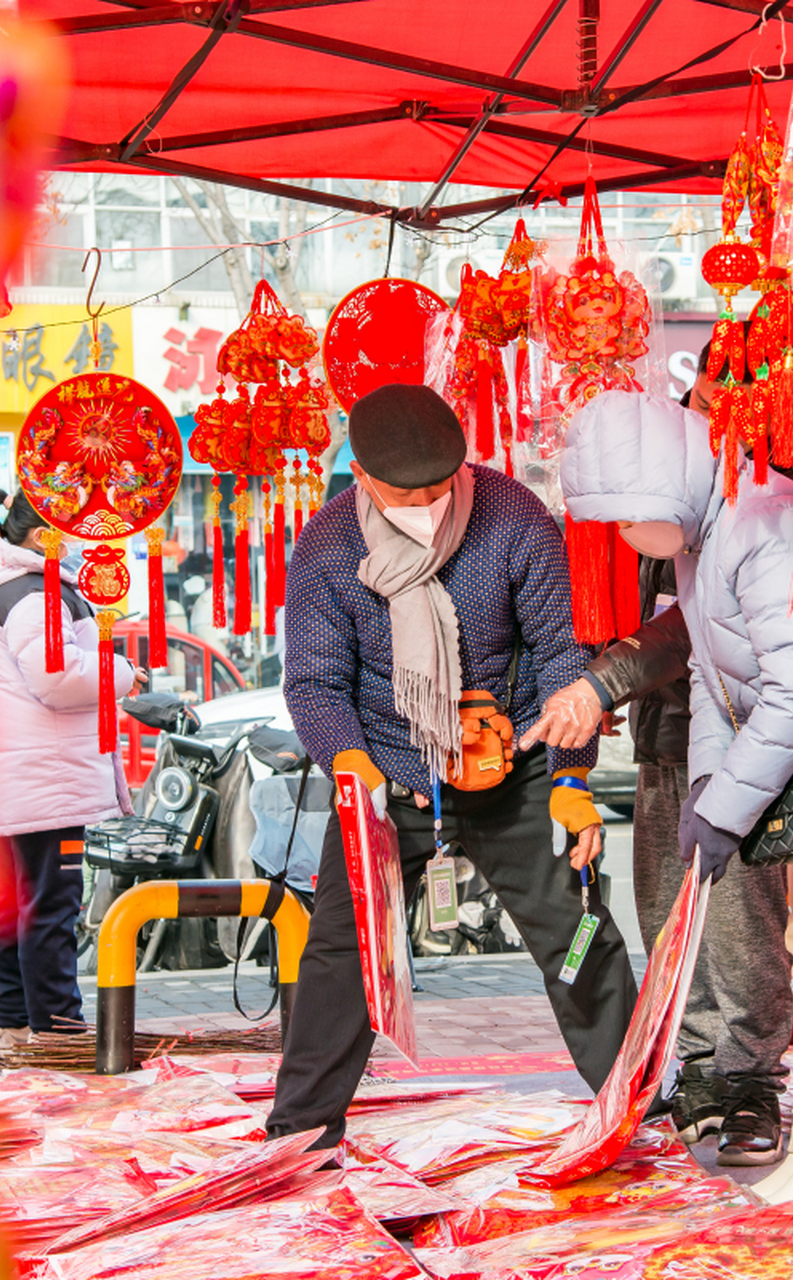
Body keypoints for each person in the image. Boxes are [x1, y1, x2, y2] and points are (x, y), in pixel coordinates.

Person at [562, 388, 793, 1229]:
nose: (625, 541)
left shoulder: (763, 529)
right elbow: (714, 677)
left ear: (662, 488)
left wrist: (728, 809)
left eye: (626, 519)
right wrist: (709, 787)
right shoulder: (711, 534)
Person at [266, 383, 636, 1148]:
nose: (432, 501)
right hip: (384, 774)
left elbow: (560, 651)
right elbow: (314, 680)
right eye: (409, 491)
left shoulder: (511, 515)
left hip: (516, 764)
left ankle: (634, 1104)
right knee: (342, 950)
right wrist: (357, 776)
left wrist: (570, 776)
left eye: (443, 484)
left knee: (580, 929)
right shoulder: (330, 544)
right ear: (363, 477)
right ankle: (301, 1131)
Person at [531, 385, 791, 1164]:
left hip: (737, 747)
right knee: (667, 915)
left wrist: (603, 681)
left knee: (743, 921)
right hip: (662, 739)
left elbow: (683, 631)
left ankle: (751, 1082)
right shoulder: (653, 522)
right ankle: (704, 1070)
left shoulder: (745, 519)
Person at [0, 491, 145, 1056]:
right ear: (44, 533)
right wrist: (124, 672)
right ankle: (56, 1031)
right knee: (51, 902)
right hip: (44, 779)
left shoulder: (6, 585)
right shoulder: (34, 593)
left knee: (15, 900)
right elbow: (57, 677)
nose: (82, 536)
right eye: (70, 526)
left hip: (23, 777)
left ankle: (16, 1025)